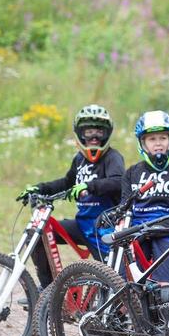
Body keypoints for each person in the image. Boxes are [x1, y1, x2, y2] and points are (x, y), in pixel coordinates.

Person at [88, 110, 169, 336]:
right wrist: (117, 223)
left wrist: (158, 228)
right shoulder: (133, 172)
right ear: (142, 143)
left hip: (168, 232)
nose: (158, 144)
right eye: (152, 139)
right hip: (136, 233)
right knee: (120, 294)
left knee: (167, 296)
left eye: (163, 138)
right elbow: (124, 206)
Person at [17, 104, 124, 289]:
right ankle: (49, 290)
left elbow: (118, 181)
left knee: (113, 279)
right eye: (88, 131)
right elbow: (66, 183)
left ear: (107, 133)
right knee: (39, 233)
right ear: (80, 133)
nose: (94, 136)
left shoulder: (113, 157)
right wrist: (38, 188)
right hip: (82, 225)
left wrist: (89, 186)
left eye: (99, 131)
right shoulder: (79, 159)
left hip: (104, 227)